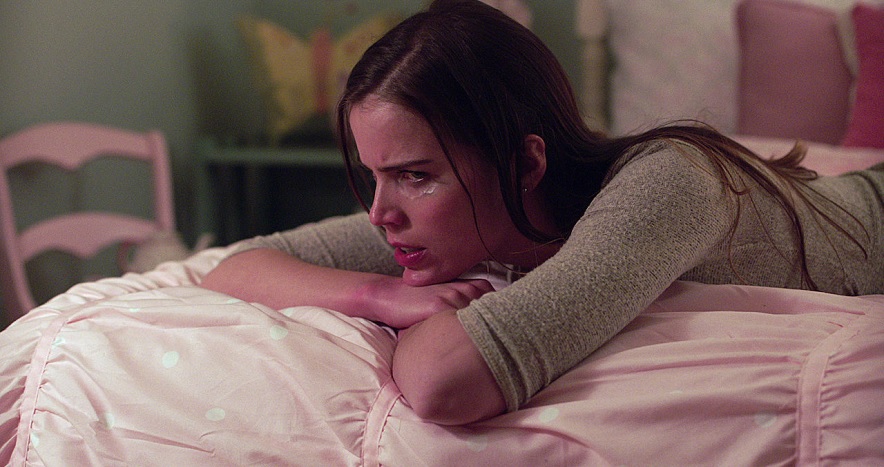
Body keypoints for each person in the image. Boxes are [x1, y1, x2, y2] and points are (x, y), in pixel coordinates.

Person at [201, 0, 884, 425]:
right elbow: (234, 268)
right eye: (374, 176)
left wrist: (428, 316)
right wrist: (380, 294)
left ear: (526, 165)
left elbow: (443, 382)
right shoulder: (461, 217)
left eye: (414, 176)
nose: (382, 214)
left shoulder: (669, 184)